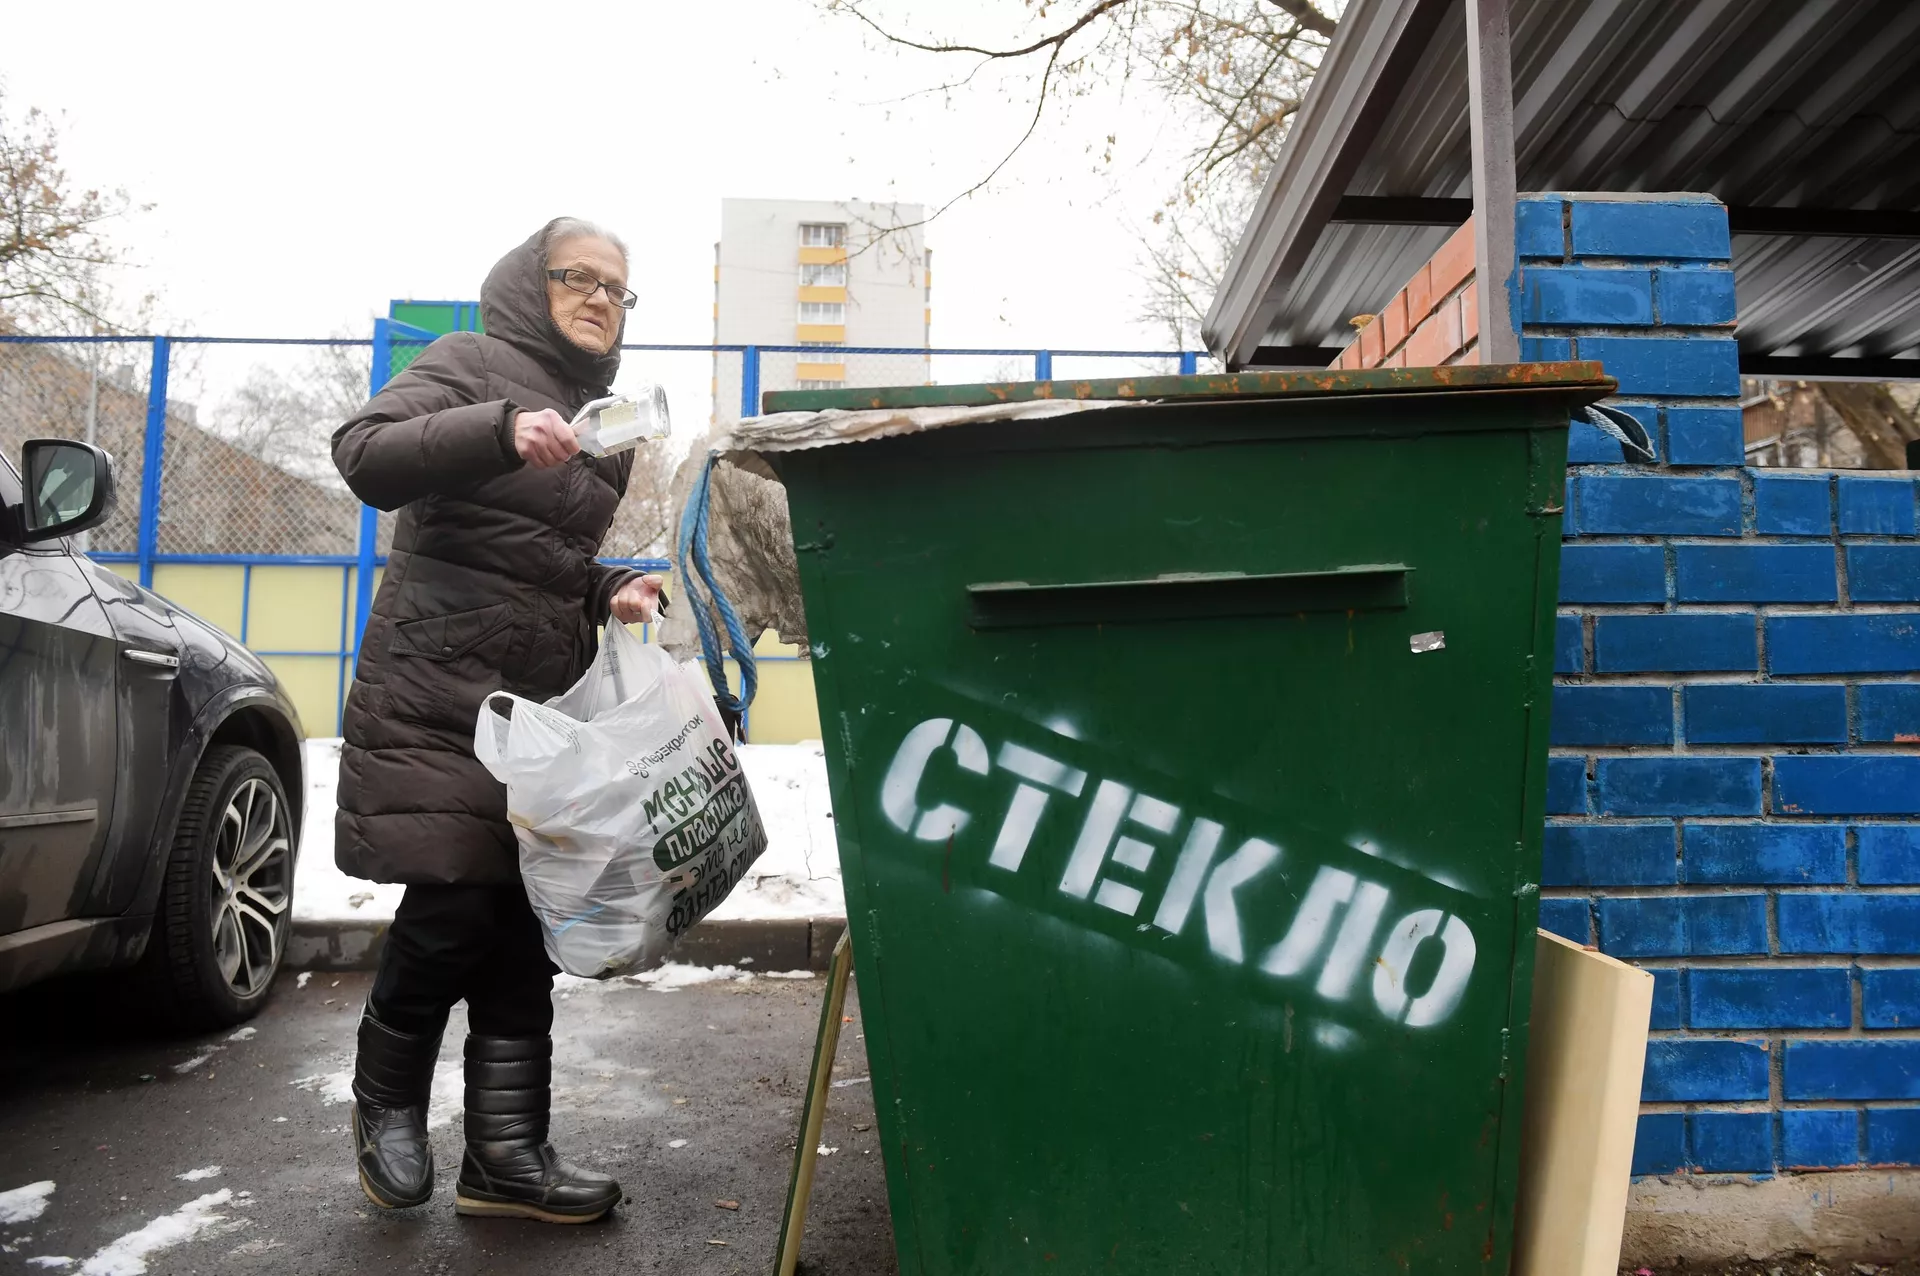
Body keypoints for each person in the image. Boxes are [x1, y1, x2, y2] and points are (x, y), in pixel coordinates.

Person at [330, 218, 663, 1223]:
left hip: (536, 719)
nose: (601, 299)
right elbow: (364, 452)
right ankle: (385, 1097)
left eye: (618, 289)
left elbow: (543, 559)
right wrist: (495, 423)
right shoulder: (469, 362)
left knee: (522, 923)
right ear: (534, 280)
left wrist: (611, 588)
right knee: (452, 909)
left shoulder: (604, 421)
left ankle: (507, 1156)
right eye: (581, 279)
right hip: (437, 691)